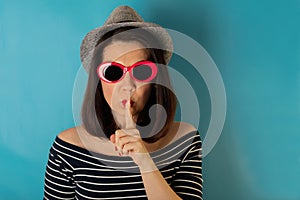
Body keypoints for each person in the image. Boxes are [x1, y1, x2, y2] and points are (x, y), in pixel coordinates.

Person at [44, 5, 202, 200]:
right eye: (113, 72)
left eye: (141, 71)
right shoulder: (67, 147)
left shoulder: (184, 139)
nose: (127, 86)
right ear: (98, 81)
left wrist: (145, 162)